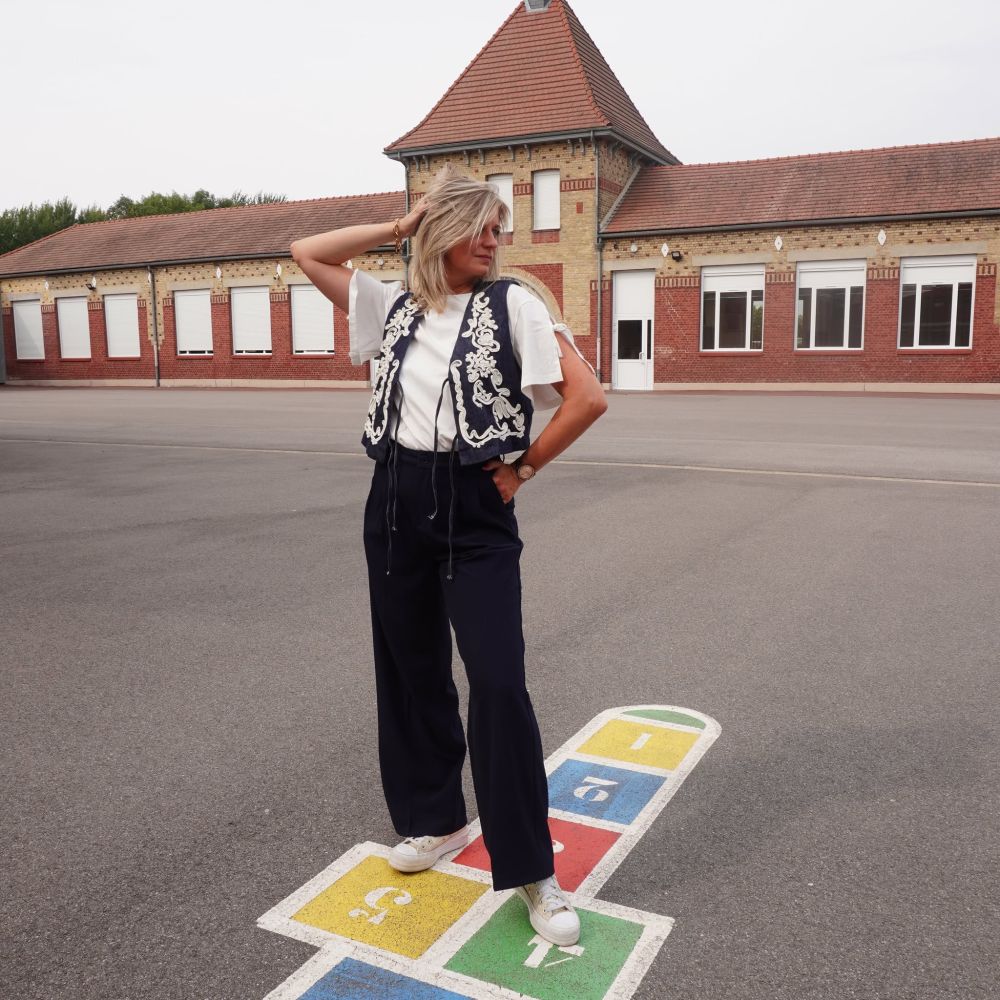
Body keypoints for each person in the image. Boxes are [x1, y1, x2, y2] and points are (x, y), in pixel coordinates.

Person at [290, 166, 607, 947]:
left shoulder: (515, 304)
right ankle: (435, 820)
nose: (495, 242)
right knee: (411, 671)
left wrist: (524, 468)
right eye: (482, 228)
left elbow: (588, 396)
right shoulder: (393, 305)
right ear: (441, 231)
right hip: (395, 501)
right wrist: (399, 226)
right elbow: (307, 253)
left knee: (498, 682)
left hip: (475, 507)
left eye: (500, 229)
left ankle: (531, 869)